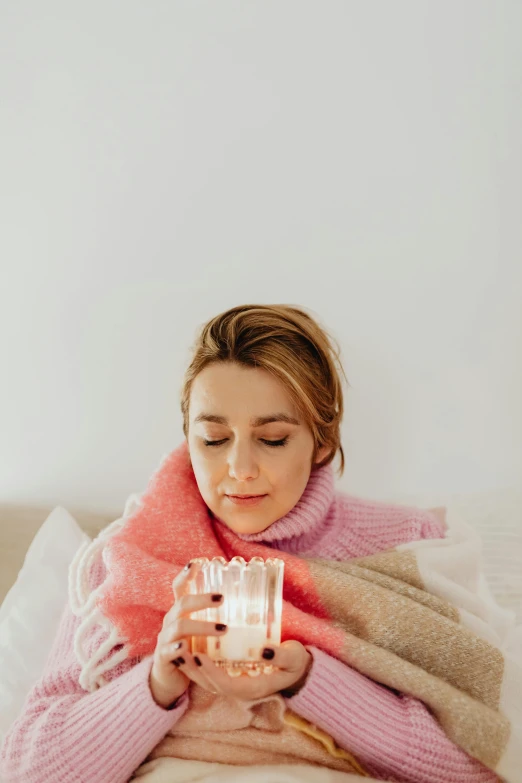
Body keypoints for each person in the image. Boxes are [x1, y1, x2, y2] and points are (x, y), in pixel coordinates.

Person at [0, 304, 500, 783]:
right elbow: (27, 770)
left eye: (274, 438)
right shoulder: (129, 557)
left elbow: (480, 762)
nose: (239, 469)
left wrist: (305, 679)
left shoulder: (410, 548)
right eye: (214, 440)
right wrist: (155, 687)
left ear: (322, 440)